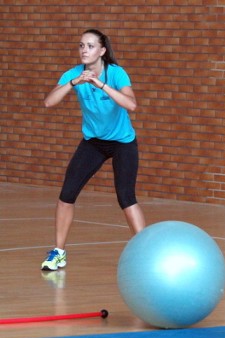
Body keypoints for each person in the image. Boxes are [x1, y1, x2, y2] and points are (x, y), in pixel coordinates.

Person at [41, 29, 146, 271]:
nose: (84, 50)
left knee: (126, 197)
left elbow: (132, 104)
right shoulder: (73, 74)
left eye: (89, 46)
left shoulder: (116, 73)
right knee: (67, 194)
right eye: (81, 46)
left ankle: (144, 250)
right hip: (94, 142)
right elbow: (49, 102)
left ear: (102, 51)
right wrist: (73, 83)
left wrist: (100, 84)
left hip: (123, 142)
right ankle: (58, 252)